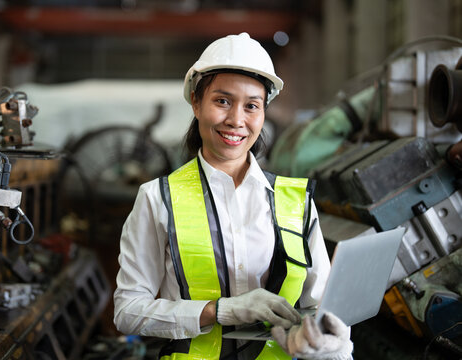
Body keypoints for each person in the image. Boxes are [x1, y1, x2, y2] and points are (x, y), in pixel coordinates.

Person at [114, 32, 353, 360]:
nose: (237, 120)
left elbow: (320, 305)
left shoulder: (295, 201)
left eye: (251, 106)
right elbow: (128, 311)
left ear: (263, 112)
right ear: (197, 103)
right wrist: (219, 311)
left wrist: (329, 343)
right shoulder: (158, 199)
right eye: (222, 101)